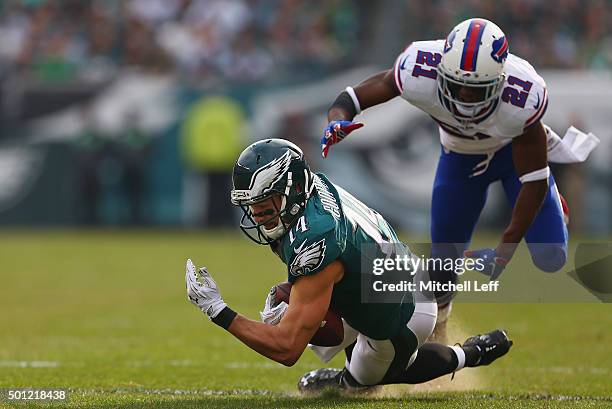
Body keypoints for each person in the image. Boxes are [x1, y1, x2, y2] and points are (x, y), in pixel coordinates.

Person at [319, 18, 599, 338]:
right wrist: (336, 120)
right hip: (461, 161)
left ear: (499, 81)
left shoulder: (522, 96)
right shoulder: (418, 68)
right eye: (457, 85)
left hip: (512, 158)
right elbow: (354, 98)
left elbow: (532, 183)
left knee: (551, 257)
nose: (465, 96)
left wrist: (503, 251)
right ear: (440, 71)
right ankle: (438, 327)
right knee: (442, 263)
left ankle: (556, 207)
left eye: (476, 88)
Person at [184, 138, 512, 392]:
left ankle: (470, 352)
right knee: (301, 305)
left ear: (293, 189)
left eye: (264, 203)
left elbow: (287, 349)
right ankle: (363, 355)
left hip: (405, 313)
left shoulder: (316, 238)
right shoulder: (314, 190)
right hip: (392, 275)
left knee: (365, 383)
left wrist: (218, 310)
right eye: (251, 205)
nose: (256, 214)